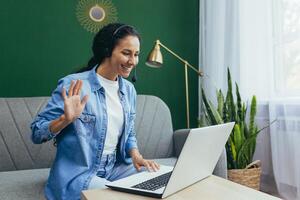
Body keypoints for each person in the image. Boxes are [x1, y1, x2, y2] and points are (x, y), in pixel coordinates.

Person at [31, 23, 160, 200]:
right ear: (107, 50)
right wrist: (65, 120)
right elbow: (37, 132)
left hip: (115, 168)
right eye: (126, 53)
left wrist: (136, 155)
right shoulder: (74, 85)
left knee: (159, 182)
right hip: (80, 173)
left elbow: (129, 132)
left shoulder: (128, 90)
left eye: (136, 54)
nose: (133, 61)